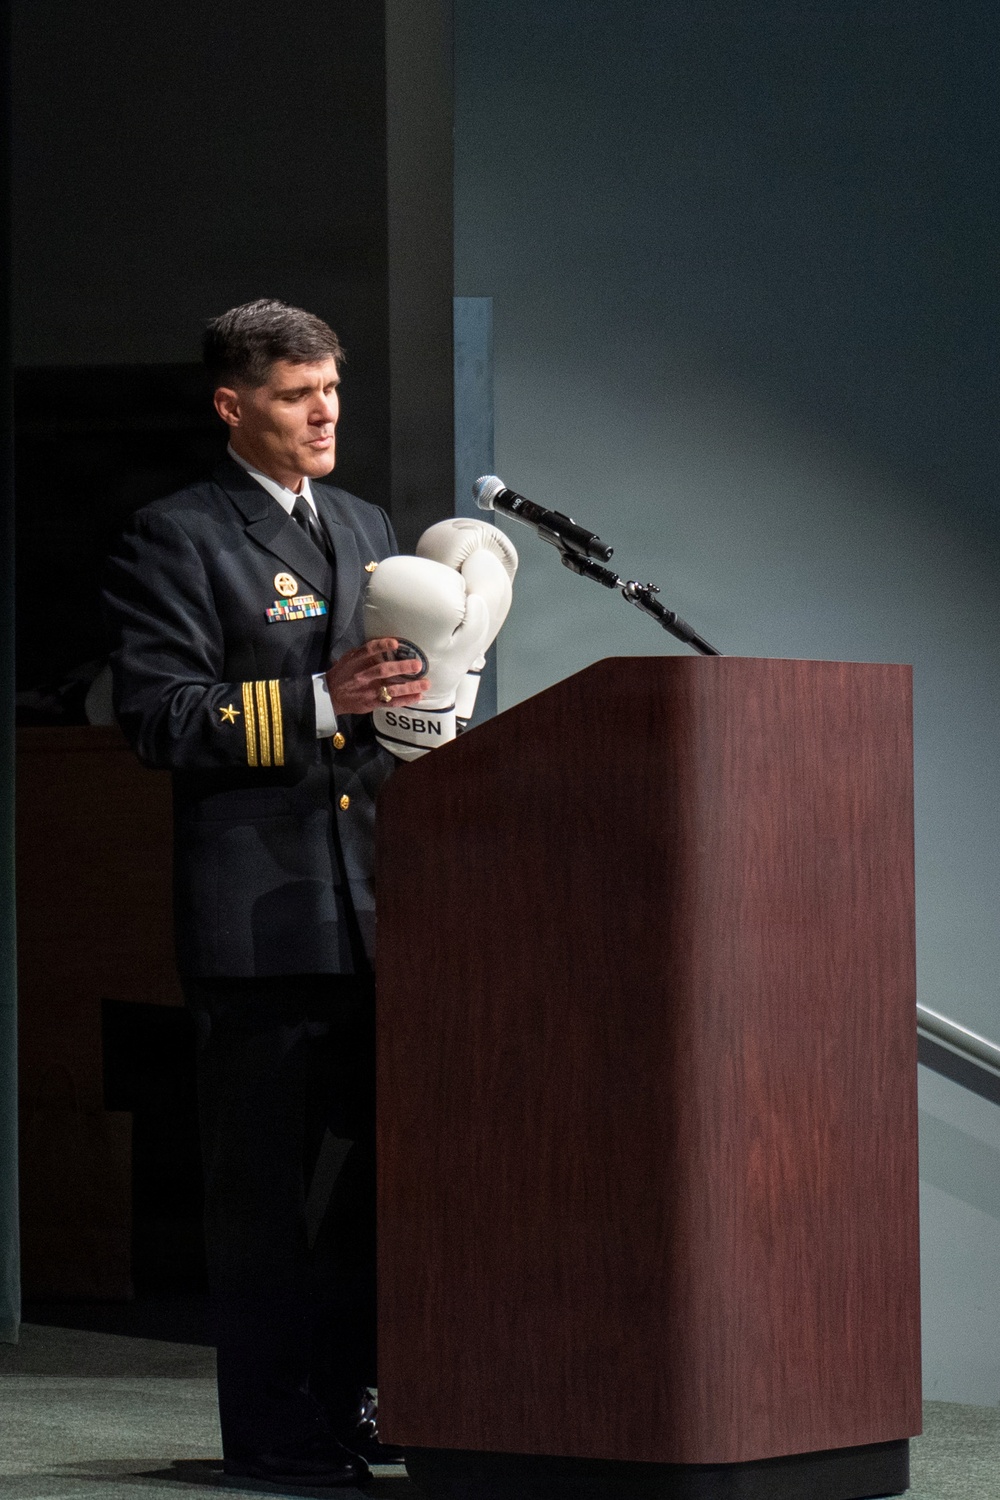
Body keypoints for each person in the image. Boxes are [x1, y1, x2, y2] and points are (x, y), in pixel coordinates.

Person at [102, 298, 427, 1491]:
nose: (326, 410)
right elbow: (160, 715)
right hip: (257, 922)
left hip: (373, 915)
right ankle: (277, 1434)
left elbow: (385, 701)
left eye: (333, 388)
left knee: (372, 1196)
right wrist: (324, 704)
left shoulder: (361, 522)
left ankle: (357, 1408)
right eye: (299, 395)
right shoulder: (178, 535)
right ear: (234, 405)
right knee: (269, 1207)